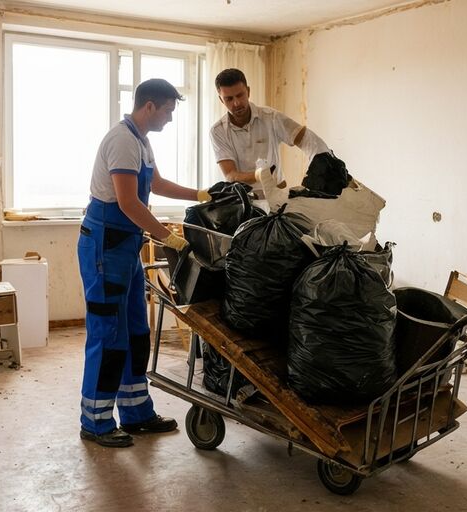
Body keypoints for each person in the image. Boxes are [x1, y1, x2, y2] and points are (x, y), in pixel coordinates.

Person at [77, 78, 210, 447]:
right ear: (149, 106)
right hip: (105, 246)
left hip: (126, 246)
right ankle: (96, 421)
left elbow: (156, 184)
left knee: (136, 329)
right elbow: (128, 203)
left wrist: (201, 194)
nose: (170, 118)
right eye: (168, 110)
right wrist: (167, 237)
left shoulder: (141, 141)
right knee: (108, 334)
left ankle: (136, 413)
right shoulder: (121, 140)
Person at [209, 68, 328, 201]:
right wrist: (258, 175)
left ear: (248, 92)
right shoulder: (217, 131)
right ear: (221, 99)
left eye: (240, 95)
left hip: (278, 196)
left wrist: (324, 161)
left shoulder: (271, 118)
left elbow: (305, 139)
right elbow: (230, 174)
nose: (236, 103)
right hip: (243, 200)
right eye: (229, 99)